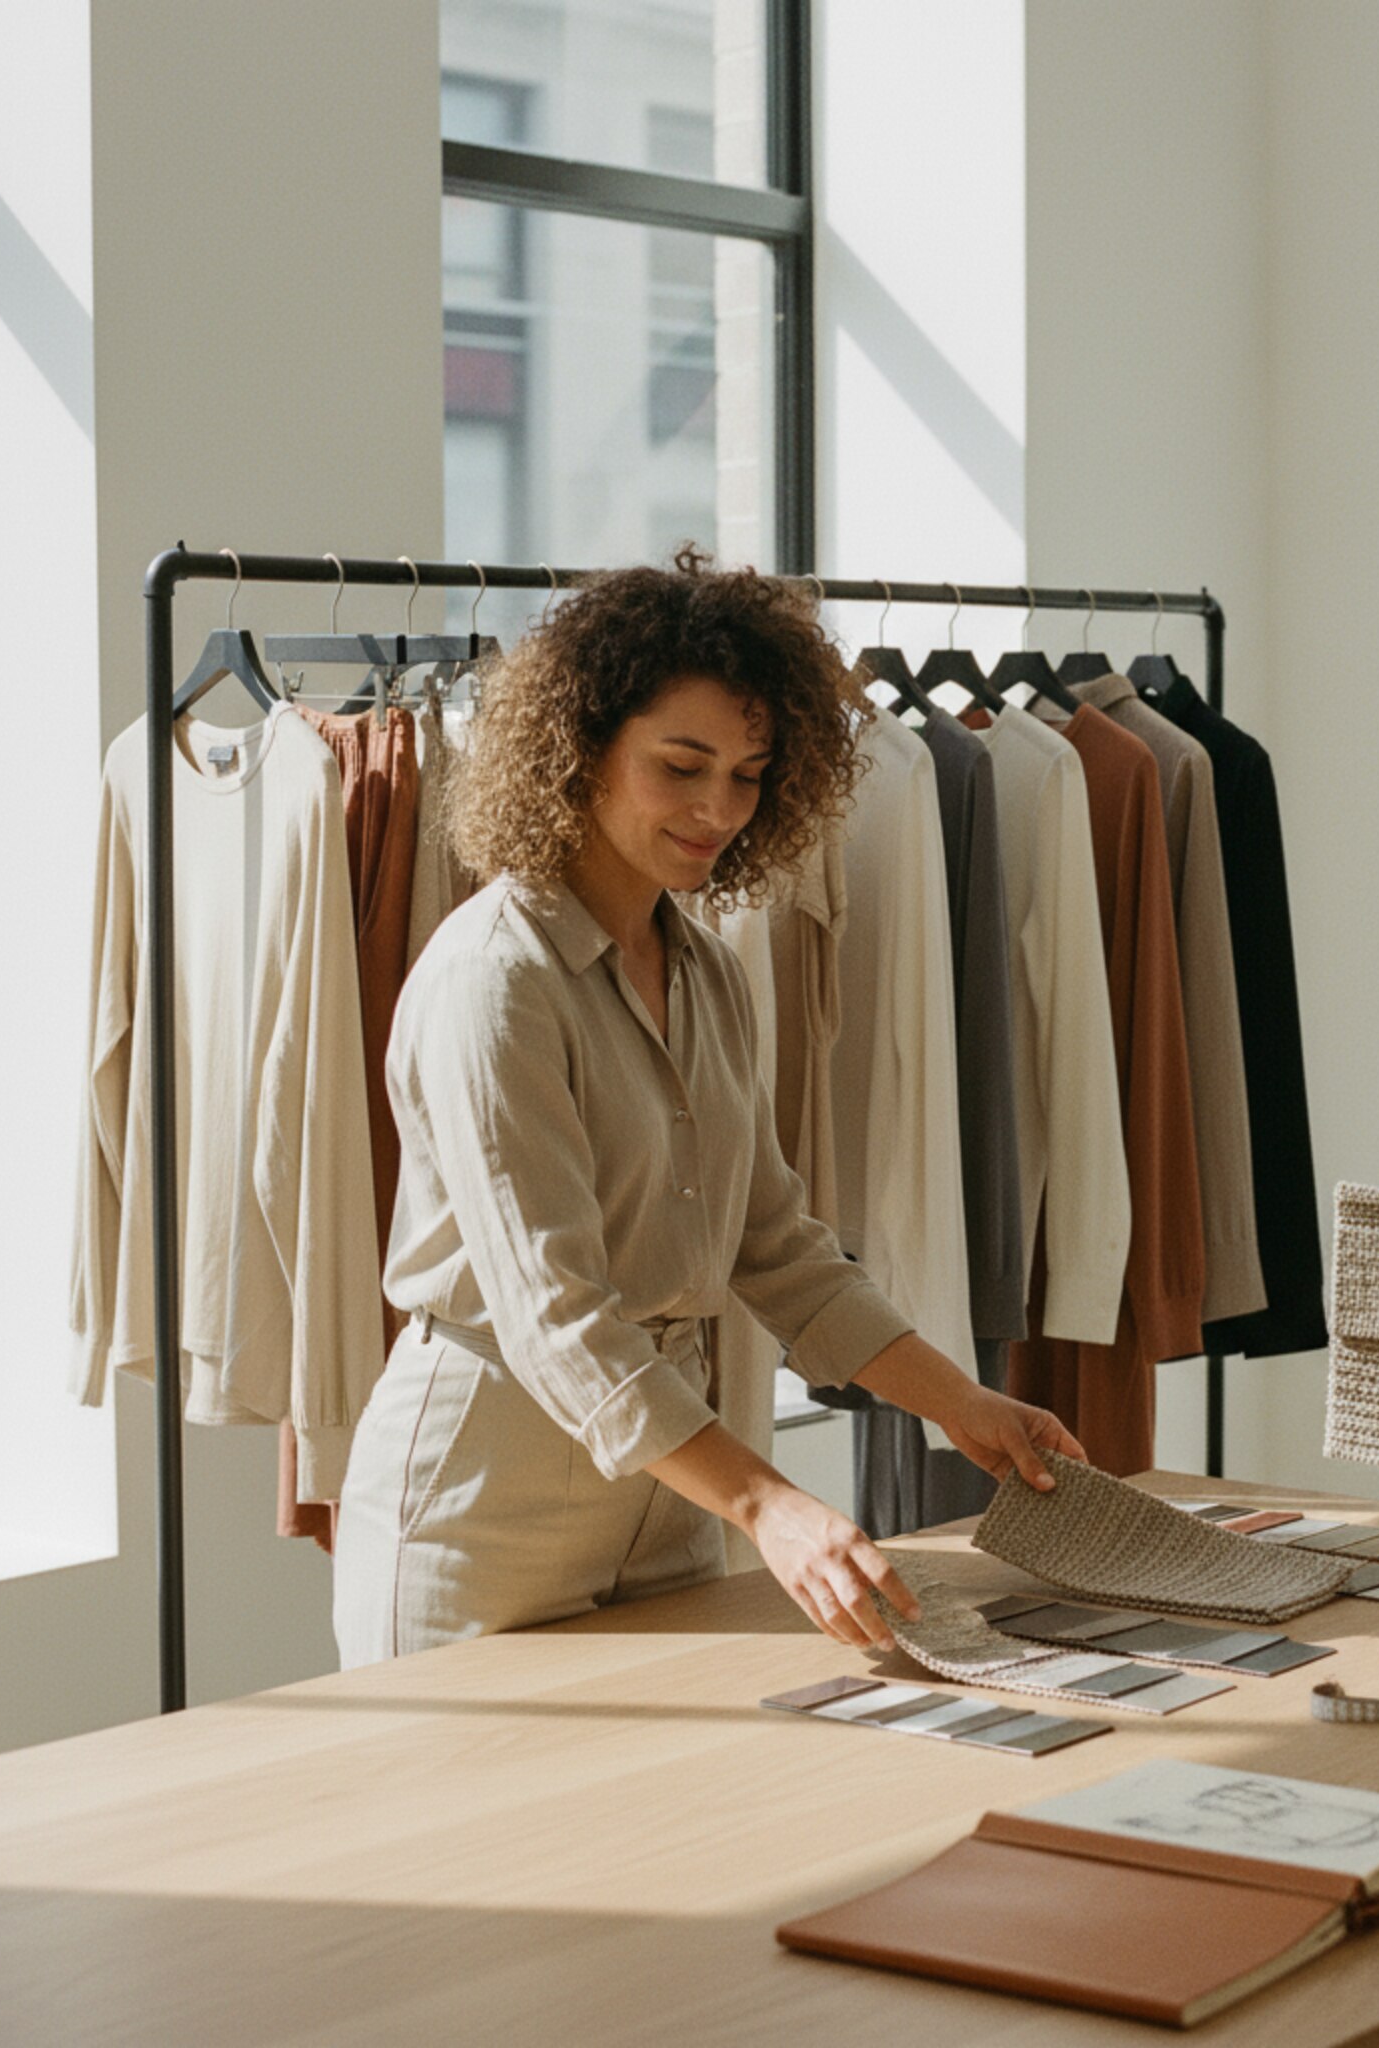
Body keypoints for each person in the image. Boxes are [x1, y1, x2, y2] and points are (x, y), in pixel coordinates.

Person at [335, 551, 1084, 1669]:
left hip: (672, 1499)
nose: (716, 809)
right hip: (484, 1513)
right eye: (680, 765)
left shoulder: (705, 970)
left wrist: (963, 1403)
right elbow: (559, 1318)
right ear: (580, 746)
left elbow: (778, 1247)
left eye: (746, 773)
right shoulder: (495, 978)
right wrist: (771, 1504)